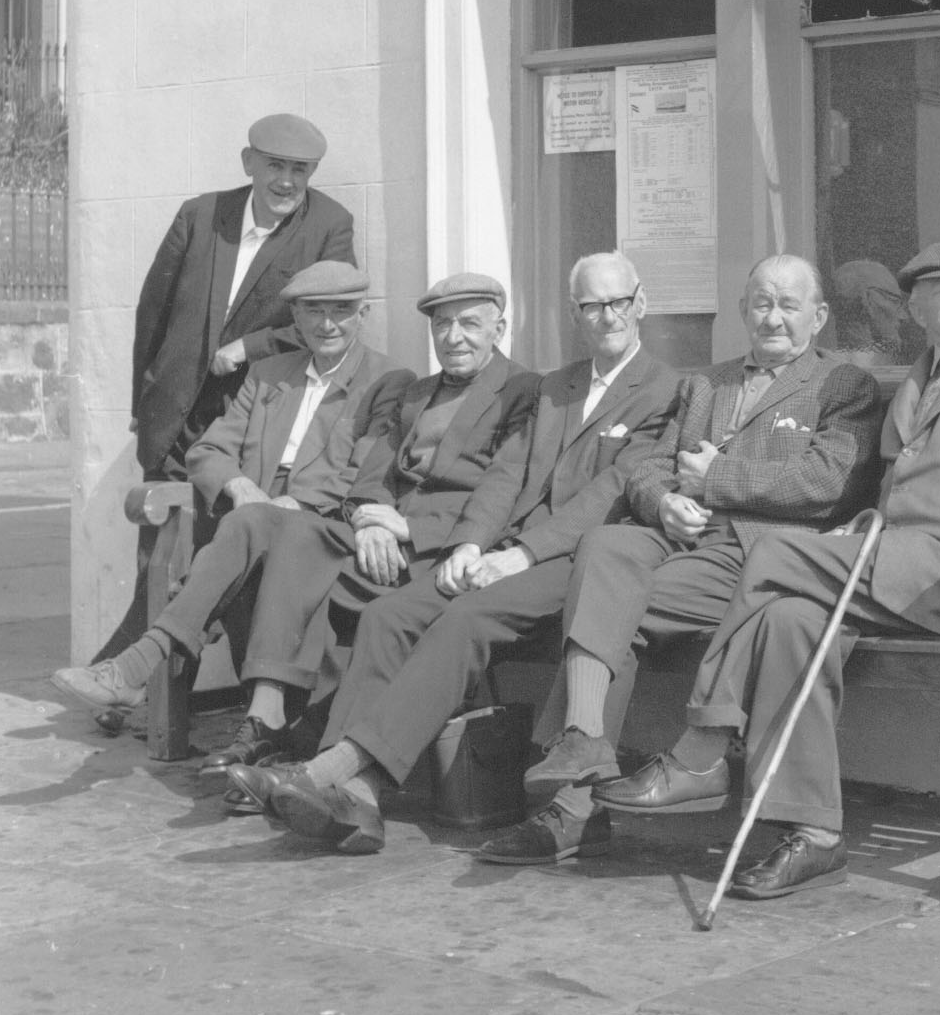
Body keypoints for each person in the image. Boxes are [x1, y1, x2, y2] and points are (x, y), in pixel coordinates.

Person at [597, 240, 940, 901]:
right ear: (915, 309)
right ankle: (813, 834)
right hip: (899, 562)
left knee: (774, 554)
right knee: (789, 617)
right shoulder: (924, 370)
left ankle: (704, 745)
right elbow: (902, 488)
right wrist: (864, 526)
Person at [227, 252, 683, 853]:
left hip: (581, 562)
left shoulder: (666, 390)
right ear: (575, 313)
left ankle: (332, 775)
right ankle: (357, 802)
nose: (605, 317)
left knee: (465, 618)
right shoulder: (557, 386)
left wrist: (522, 553)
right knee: (390, 616)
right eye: (591, 306)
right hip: (506, 549)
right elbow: (507, 475)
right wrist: (471, 543)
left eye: (617, 303)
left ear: (640, 303)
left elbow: (613, 489)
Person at [475, 253, 886, 867]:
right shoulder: (706, 382)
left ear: (819, 317)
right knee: (607, 547)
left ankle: (571, 811)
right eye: (761, 304)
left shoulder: (842, 385)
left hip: (761, 556)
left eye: (789, 305)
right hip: (681, 540)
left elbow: (828, 483)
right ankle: (585, 738)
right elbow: (648, 466)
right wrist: (663, 499)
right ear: (744, 310)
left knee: (605, 608)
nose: (773, 318)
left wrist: (716, 479)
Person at [49, 262, 410, 765]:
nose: (328, 325)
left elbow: (367, 470)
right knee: (247, 520)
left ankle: (134, 668)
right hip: (256, 516)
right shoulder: (268, 375)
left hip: (330, 526)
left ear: (363, 314)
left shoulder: (388, 381)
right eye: (314, 312)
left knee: (247, 524)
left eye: (341, 311)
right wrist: (240, 486)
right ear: (297, 319)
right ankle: (256, 722)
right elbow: (207, 450)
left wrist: (292, 505)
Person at [97, 115, 356, 663]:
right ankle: (144, 693)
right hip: (174, 417)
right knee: (158, 561)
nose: (286, 182)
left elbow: (332, 315)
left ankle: (127, 682)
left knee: (218, 563)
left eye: (299, 170)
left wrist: (250, 346)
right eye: (275, 167)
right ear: (249, 163)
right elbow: (154, 310)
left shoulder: (330, 225)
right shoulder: (201, 214)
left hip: (248, 423)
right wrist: (142, 404)